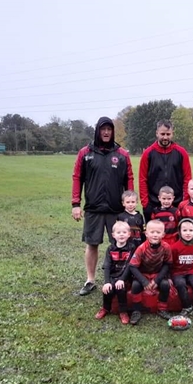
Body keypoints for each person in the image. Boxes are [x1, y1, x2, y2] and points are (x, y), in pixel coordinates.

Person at [71, 116, 134, 296]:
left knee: (121, 244)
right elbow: (77, 178)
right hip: (93, 208)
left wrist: (129, 202)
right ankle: (90, 280)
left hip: (116, 210)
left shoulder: (122, 154)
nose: (106, 132)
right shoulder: (85, 153)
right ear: (97, 131)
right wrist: (76, 204)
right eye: (103, 129)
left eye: (109, 129)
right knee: (92, 244)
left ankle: (120, 279)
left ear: (113, 132)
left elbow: (129, 178)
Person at [139, 120, 192, 222]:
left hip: (176, 203)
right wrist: (146, 204)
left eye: (168, 134)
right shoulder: (148, 153)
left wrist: (184, 202)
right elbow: (142, 179)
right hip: (153, 203)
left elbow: (187, 178)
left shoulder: (181, 153)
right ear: (157, 133)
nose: (165, 137)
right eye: (162, 134)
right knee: (154, 235)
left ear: (172, 134)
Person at [128, 220, 172, 325]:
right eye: (152, 232)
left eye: (158, 232)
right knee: (135, 285)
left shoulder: (166, 247)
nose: (155, 235)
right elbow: (132, 266)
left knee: (165, 285)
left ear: (163, 234)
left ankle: (162, 308)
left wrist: (157, 280)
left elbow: (168, 264)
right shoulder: (141, 248)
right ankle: (136, 310)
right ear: (146, 234)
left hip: (157, 273)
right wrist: (144, 282)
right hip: (143, 273)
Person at [94, 221, 136, 325]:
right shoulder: (110, 249)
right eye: (118, 232)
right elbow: (107, 266)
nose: (121, 234)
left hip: (125, 276)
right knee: (108, 289)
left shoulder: (131, 248)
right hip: (113, 276)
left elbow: (130, 266)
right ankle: (105, 308)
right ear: (113, 235)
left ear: (129, 234)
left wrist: (122, 279)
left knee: (120, 289)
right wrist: (107, 282)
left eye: (124, 232)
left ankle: (123, 312)